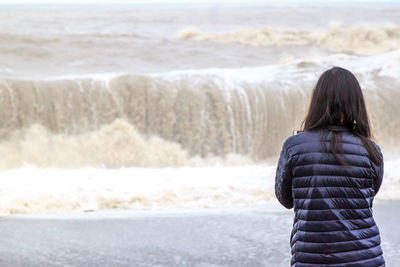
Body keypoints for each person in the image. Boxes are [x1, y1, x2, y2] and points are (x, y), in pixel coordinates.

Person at [275, 66, 385, 266]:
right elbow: (369, 195)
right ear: (356, 102)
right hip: (365, 258)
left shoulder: (294, 146)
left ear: (317, 101)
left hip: (312, 258)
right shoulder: (371, 149)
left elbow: (285, 198)